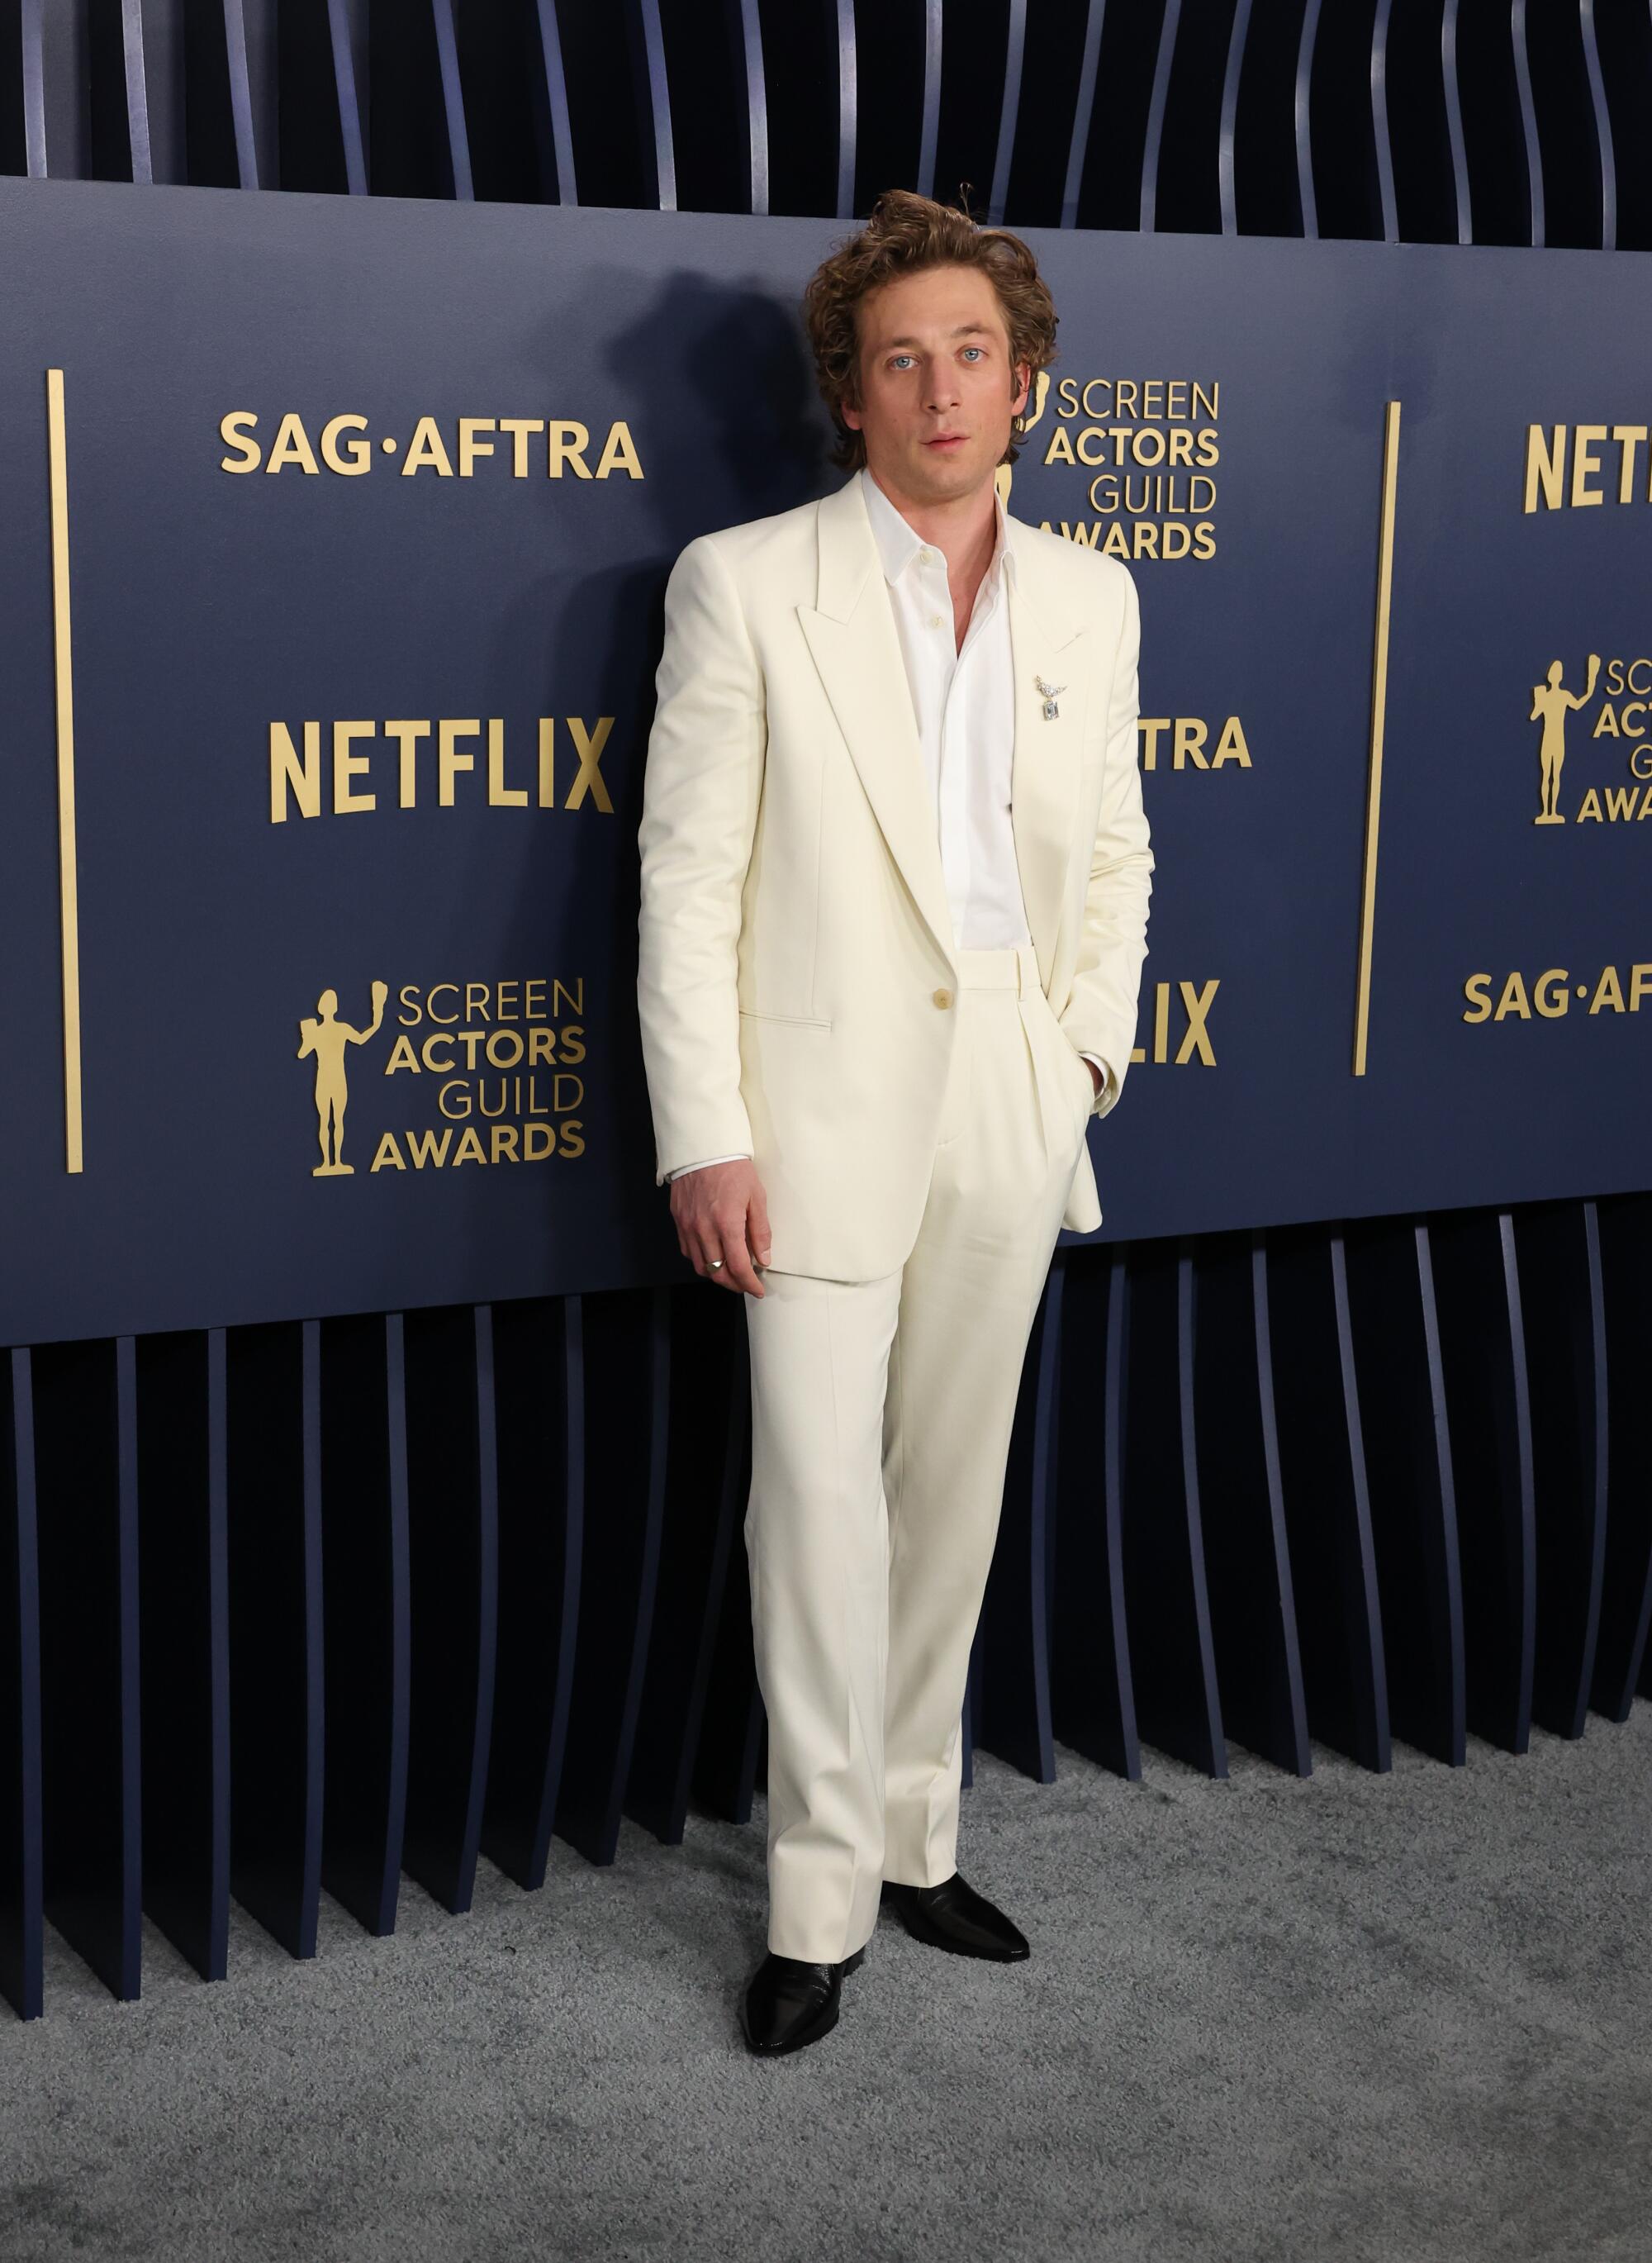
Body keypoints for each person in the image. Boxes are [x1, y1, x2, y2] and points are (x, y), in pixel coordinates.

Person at [635, 189, 1153, 2056]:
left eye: (972, 354)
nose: (940, 388)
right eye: (898, 359)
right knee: (817, 1517)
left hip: (1015, 1093)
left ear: (1025, 386)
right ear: (848, 398)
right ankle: (815, 1893)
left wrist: (1083, 1044)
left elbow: (1112, 845)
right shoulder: (745, 580)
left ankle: (921, 1835)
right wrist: (708, 1130)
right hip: (810, 1108)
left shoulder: (1094, 594)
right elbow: (687, 881)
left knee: (954, 1496)